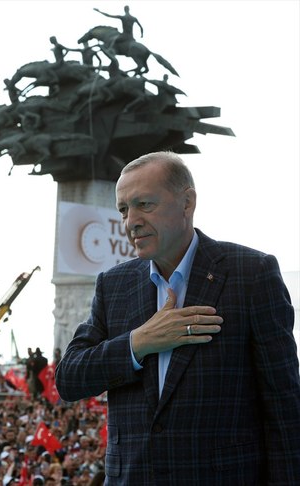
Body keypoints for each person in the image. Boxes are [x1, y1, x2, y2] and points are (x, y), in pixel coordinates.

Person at [55, 151, 300, 483]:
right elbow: (69, 378)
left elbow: (284, 408)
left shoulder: (251, 273)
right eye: (124, 210)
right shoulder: (114, 285)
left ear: (187, 203)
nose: (131, 222)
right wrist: (137, 344)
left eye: (145, 204)